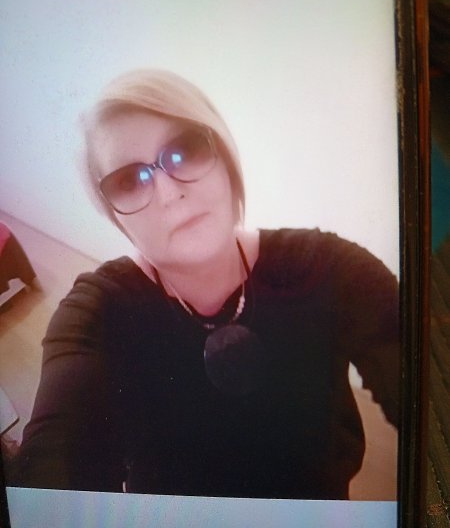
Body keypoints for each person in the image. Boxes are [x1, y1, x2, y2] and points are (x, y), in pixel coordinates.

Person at [11, 69, 399, 499]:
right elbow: (55, 467)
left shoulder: (328, 268)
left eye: (186, 149)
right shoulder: (100, 313)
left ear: (225, 155)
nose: (168, 193)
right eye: (129, 180)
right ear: (114, 215)